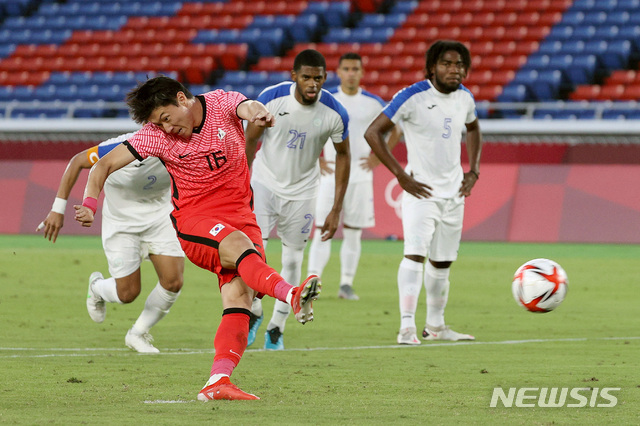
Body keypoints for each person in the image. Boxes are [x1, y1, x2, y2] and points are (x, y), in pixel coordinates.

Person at [74, 76, 321, 401]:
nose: (166, 128)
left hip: (242, 216)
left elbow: (247, 106)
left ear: (182, 98)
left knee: (240, 297)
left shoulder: (220, 103)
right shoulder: (154, 137)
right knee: (240, 250)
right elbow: (101, 166)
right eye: (157, 124)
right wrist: (90, 204)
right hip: (196, 219)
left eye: (166, 117)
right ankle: (291, 294)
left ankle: (217, 381)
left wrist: (258, 114)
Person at [364, 40, 482, 345]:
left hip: (454, 193)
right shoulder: (411, 96)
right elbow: (373, 132)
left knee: (442, 263)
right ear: (432, 67)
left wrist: (474, 172)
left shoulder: (465, 98)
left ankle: (436, 326)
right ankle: (406, 326)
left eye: (459, 64)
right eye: (446, 63)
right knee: (415, 256)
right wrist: (401, 176)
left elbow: (474, 129)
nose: (454, 69)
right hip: (422, 192)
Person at [38, 132, 185, 353]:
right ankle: (96, 288)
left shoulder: (183, 146)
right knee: (128, 293)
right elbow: (78, 161)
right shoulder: (119, 147)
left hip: (160, 218)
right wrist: (58, 209)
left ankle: (137, 333)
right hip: (122, 224)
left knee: (173, 282)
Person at [244, 49, 350, 350]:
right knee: (254, 254)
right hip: (263, 185)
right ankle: (253, 311)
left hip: (303, 193)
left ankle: (276, 327)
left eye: (318, 78)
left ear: (325, 78)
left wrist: (335, 208)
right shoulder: (273, 98)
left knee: (292, 259)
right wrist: (242, 184)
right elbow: (250, 139)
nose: (312, 83)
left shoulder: (334, 112)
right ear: (294, 77)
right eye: (306, 77)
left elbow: (344, 155)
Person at [307, 52, 402, 301]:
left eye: (355, 69)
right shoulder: (326, 99)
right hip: (330, 176)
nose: (351, 73)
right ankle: (313, 280)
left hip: (360, 175)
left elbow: (395, 128)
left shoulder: (372, 102)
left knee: (353, 231)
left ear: (361, 73)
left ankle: (346, 284)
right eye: (347, 69)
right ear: (338, 72)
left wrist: (378, 157)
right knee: (322, 228)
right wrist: (316, 158)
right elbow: (307, 127)